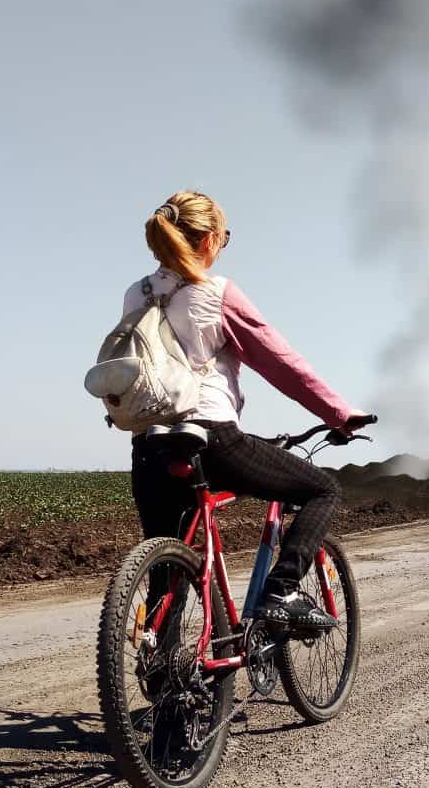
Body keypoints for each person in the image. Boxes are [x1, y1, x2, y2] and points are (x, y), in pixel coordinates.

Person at [125, 189, 372, 632]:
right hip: (211, 435)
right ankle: (283, 590)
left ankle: (167, 685)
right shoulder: (216, 293)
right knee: (323, 490)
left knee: (167, 567)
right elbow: (281, 363)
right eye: (224, 237)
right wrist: (339, 413)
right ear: (207, 241)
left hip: (148, 445)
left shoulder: (135, 294)